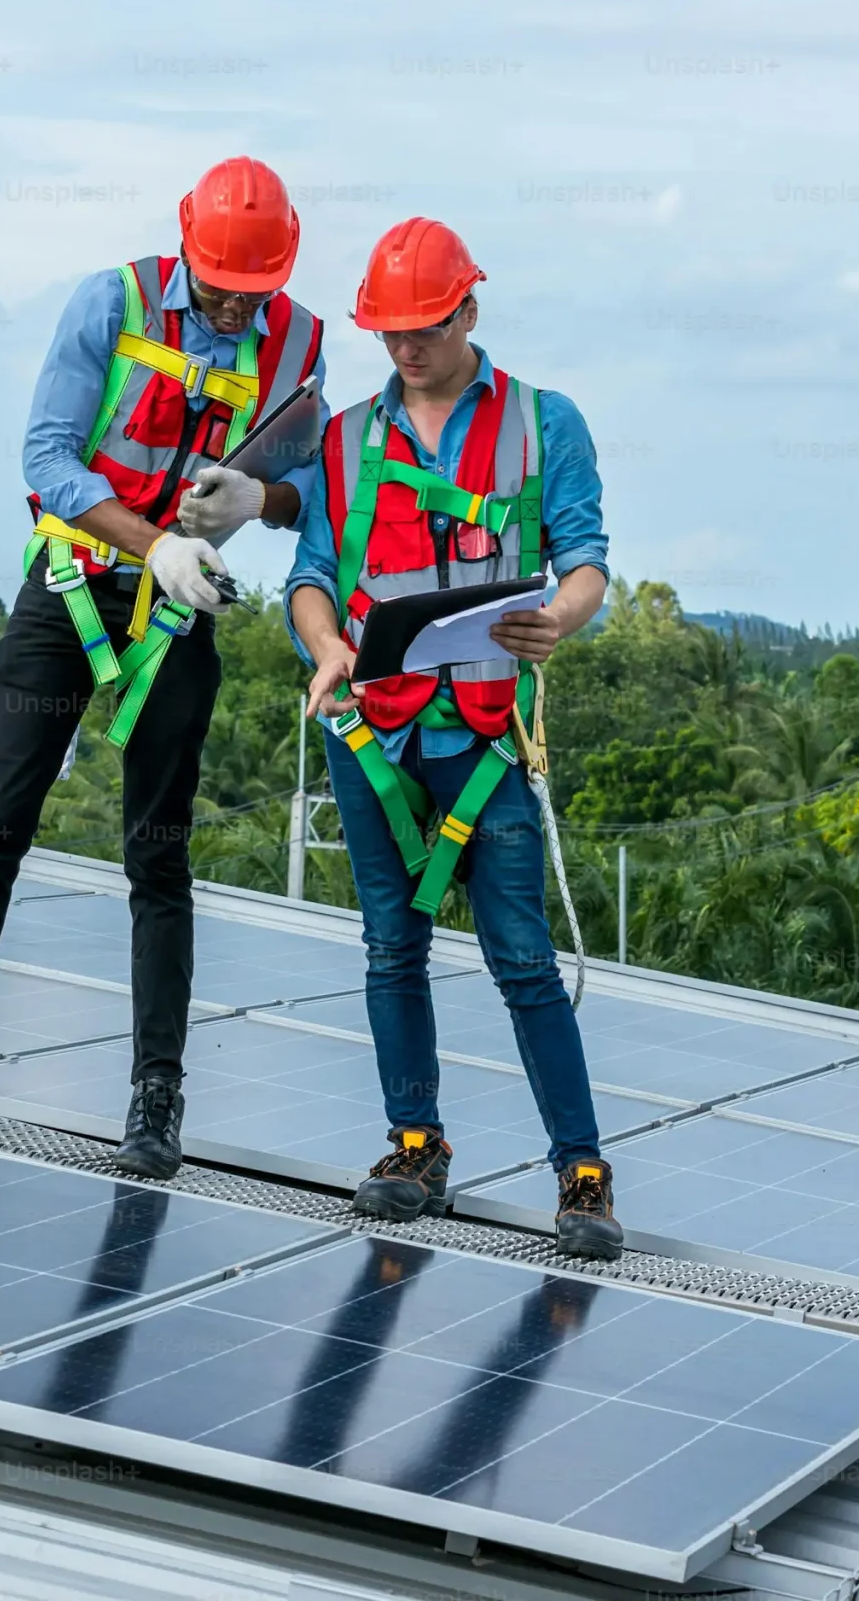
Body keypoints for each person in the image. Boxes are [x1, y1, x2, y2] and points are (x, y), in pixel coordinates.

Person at [0, 156, 328, 1181]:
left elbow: (313, 490)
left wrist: (258, 501)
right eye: (221, 286)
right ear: (188, 248)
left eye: (253, 291)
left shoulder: (298, 343)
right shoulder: (112, 303)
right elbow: (47, 457)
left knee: (157, 854)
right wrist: (154, 543)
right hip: (74, 584)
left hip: (179, 610)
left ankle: (156, 1100)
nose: (234, 306)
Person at [284, 217, 622, 1259]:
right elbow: (311, 576)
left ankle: (582, 1173)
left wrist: (559, 618)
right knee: (392, 945)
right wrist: (324, 646)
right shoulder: (346, 439)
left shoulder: (542, 423)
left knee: (521, 955)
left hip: (484, 735)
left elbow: (586, 559)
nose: (406, 349)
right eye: (389, 332)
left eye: (424, 328)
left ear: (468, 310)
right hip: (371, 736)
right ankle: (414, 1146)